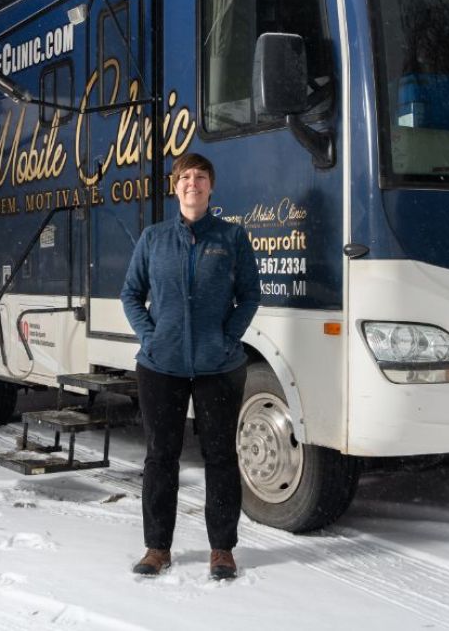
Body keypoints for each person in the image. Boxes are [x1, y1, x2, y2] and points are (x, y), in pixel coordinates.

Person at [120, 151, 261, 581]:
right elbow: (131, 294)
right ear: (175, 186)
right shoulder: (153, 238)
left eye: (200, 178)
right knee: (161, 457)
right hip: (161, 366)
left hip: (218, 366)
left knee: (220, 457)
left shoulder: (231, 238)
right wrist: (152, 336)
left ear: (210, 187)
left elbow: (250, 296)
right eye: (185, 178)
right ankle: (157, 548)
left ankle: (222, 550)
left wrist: (226, 338)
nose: (192, 184)